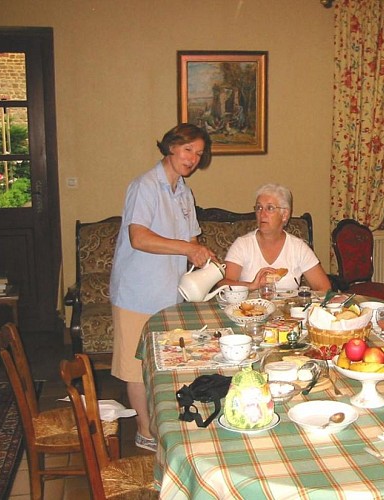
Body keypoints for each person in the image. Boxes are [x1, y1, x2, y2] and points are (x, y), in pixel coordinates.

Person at [109, 123, 217, 451]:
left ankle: (164, 425)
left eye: (199, 154)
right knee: (135, 365)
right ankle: (145, 431)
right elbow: (138, 237)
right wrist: (187, 249)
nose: (193, 159)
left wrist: (203, 263)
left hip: (169, 293)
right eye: (188, 150)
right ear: (171, 147)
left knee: (166, 361)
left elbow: (191, 239)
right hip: (137, 290)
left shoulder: (184, 191)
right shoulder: (144, 186)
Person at [221, 183, 331, 292]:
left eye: (269, 208)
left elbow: (324, 288)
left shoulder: (298, 247)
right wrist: (251, 285)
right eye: (259, 207)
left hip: (288, 309)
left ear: (285, 215)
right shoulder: (243, 244)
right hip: (249, 308)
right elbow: (224, 283)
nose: (262, 214)